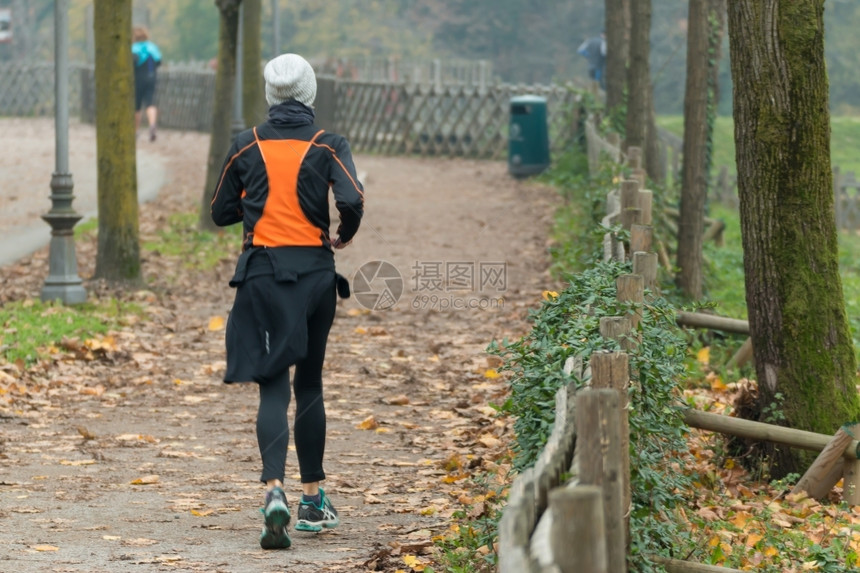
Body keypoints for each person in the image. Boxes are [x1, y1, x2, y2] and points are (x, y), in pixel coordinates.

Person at [210, 53, 364, 550]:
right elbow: (353, 199)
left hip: (261, 275)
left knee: (271, 385)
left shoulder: (245, 144)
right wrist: (343, 235)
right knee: (311, 380)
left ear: (271, 95)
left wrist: (252, 208)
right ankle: (313, 500)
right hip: (316, 276)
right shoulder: (328, 144)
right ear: (310, 92)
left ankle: (273, 490)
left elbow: (219, 211)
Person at [132, 26, 162, 141]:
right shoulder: (152, 47)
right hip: (152, 77)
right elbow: (159, 62)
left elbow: (133, 62)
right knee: (150, 103)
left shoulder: (134, 48)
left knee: (137, 105)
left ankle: (136, 131)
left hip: (138, 78)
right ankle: (152, 125)